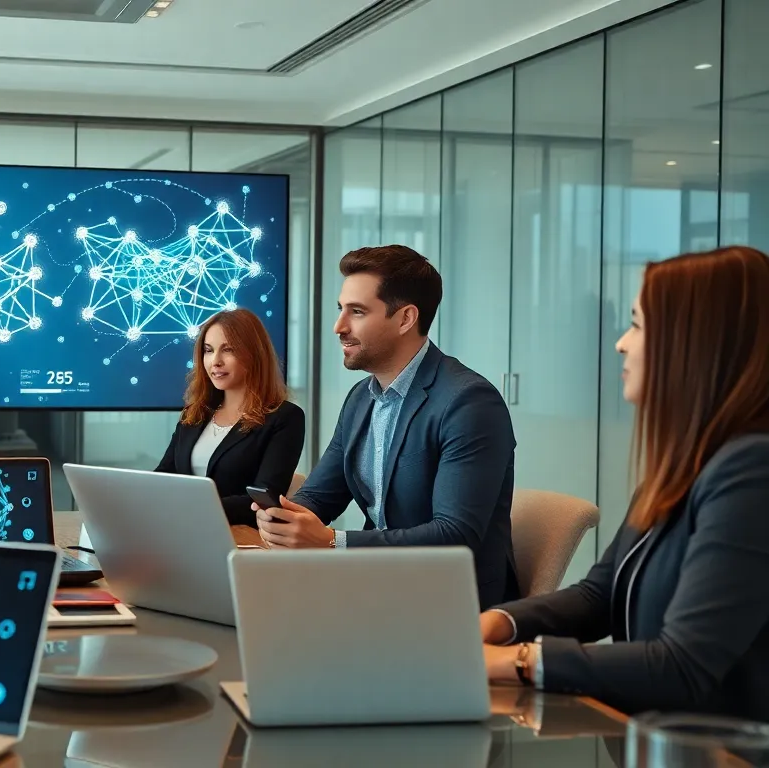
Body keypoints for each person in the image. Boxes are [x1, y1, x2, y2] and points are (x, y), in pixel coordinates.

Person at [482, 246, 769, 720]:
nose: (620, 343)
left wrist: (519, 660)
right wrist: (500, 622)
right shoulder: (688, 463)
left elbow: (682, 665)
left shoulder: (752, 471)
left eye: (637, 324)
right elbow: (602, 595)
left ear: (694, 344)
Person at [257, 245, 519, 610]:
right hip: (376, 585)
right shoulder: (361, 398)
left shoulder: (469, 402)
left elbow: (455, 535)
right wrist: (283, 517)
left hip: (449, 602)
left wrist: (333, 541)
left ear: (405, 319)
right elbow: (319, 497)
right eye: (340, 310)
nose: (339, 327)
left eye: (357, 312)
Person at [153, 308, 305, 526]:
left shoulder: (285, 418)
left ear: (253, 354)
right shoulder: (195, 413)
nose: (215, 361)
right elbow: (163, 477)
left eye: (228, 350)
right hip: (181, 530)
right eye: (208, 350)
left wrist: (190, 509)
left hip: (240, 538)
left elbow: (262, 499)